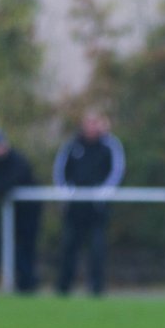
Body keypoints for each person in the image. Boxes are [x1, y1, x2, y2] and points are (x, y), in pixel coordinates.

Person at [53, 110, 125, 296]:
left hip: (97, 209)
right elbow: (60, 171)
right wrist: (67, 193)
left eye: (95, 123)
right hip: (75, 208)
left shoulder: (109, 145)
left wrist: (103, 193)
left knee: (97, 250)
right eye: (88, 123)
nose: (91, 127)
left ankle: (97, 289)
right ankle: (63, 289)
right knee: (69, 247)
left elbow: (117, 171)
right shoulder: (72, 145)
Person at [0, 129, 43, 294]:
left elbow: (9, 183)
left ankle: (28, 283)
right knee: (9, 247)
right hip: (10, 213)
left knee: (26, 248)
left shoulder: (18, 160)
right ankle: (20, 282)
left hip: (28, 213)